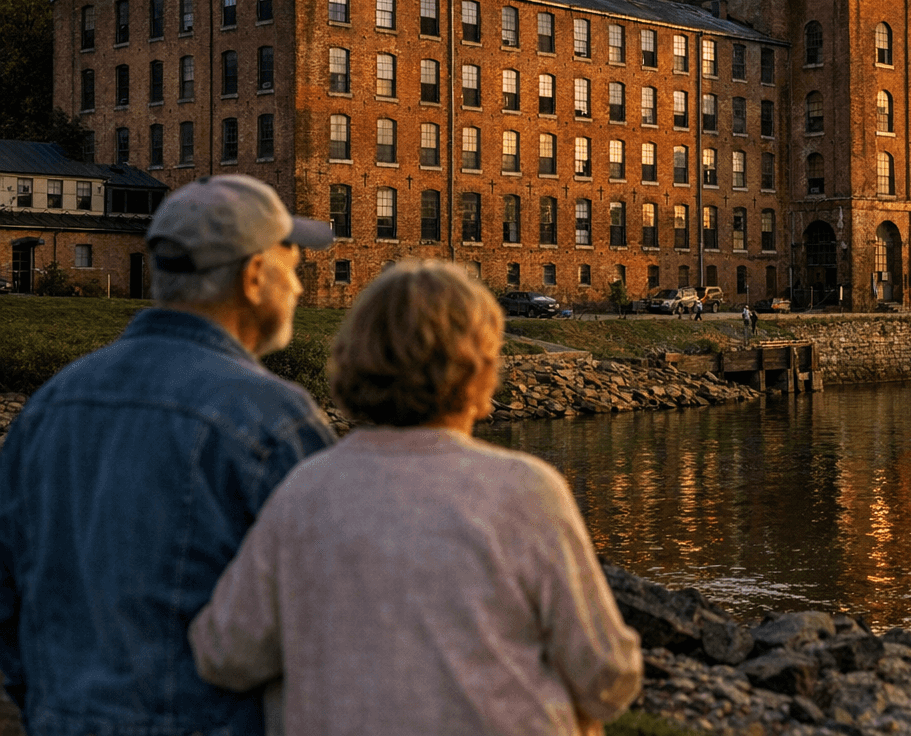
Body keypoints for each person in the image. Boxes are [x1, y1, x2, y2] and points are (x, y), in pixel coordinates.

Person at [189, 259, 642, 736]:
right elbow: (607, 674)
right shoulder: (526, 492)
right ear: (480, 374)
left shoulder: (304, 492)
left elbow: (225, 653)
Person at [0, 174, 336, 736]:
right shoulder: (273, 419)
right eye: (293, 267)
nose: (298, 288)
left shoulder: (50, 405)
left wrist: (47, 703)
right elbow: (330, 611)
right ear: (255, 276)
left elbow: (7, 596)